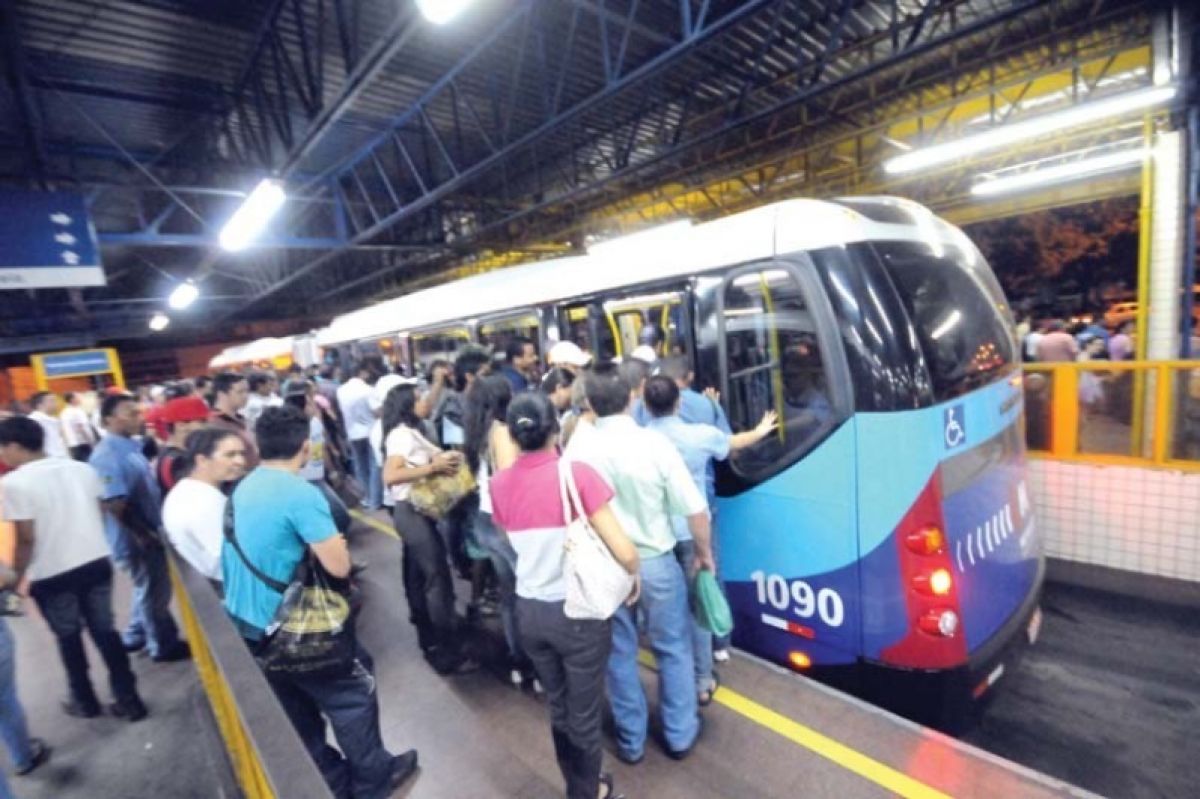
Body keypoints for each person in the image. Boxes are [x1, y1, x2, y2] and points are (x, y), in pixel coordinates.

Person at [223, 407, 417, 798]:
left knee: (297, 709)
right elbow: (339, 565)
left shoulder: (243, 487)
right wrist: (335, 547)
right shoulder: (300, 493)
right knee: (352, 696)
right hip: (297, 627)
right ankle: (373, 781)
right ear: (304, 446)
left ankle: (331, 781)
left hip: (250, 625)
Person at [490, 392, 639, 799]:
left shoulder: (498, 485)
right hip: (577, 612)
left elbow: (508, 538)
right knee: (585, 714)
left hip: (530, 613)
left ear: (516, 438)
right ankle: (587, 793)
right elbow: (624, 550)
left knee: (559, 706)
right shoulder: (577, 475)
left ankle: (578, 785)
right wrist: (633, 573)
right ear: (555, 429)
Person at [568, 364, 713, 763]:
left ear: (590, 403)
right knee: (673, 649)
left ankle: (631, 742)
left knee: (619, 652)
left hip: (604, 566)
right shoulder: (654, 445)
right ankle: (680, 734)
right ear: (635, 394)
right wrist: (704, 554)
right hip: (656, 564)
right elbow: (695, 509)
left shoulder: (580, 448)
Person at [0, 416, 146, 721]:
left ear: (13, 445)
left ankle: (85, 700)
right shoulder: (81, 469)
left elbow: (26, 539)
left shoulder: (13, 483)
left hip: (52, 574)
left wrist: (14, 579)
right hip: (95, 563)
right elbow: (98, 512)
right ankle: (129, 699)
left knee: (69, 639)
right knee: (106, 633)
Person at [642, 376, 777, 704]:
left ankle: (675, 672)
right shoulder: (698, 436)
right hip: (690, 534)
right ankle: (703, 681)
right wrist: (761, 429)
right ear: (678, 403)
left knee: (664, 610)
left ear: (646, 406)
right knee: (698, 603)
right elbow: (733, 443)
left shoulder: (637, 442)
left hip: (653, 540)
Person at [380, 384, 478, 674]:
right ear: (407, 405)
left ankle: (429, 638)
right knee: (437, 579)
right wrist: (432, 468)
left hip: (412, 513)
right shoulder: (400, 434)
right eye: (420, 398)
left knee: (417, 578)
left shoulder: (409, 431)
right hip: (412, 513)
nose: (425, 402)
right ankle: (447, 651)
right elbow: (391, 475)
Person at [90, 393, 190, 663]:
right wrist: (142, 535)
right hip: (135, 540)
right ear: (108, 419)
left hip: (148, 533)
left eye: (138, 411)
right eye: (130, 413)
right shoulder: (107, 456)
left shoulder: (130, 447)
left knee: (150, 589)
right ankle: (162, 645)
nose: (139, 417)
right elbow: (115, 503)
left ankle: (139, 634)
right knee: (152, 593)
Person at [462, 375, 529, 686]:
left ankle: (518, 660)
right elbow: (508, 480)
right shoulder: (502, 432)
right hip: (505, 520)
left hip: (485, 518)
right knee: (526, 593)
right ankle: (533, 663)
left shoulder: (476, 431)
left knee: (509, 594)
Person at [162, 429, 247, 585]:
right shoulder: (200, 503)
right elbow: (228, 561)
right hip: (234, 590)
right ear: (201, 460)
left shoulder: (191, 491)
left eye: (242, 454)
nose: (240, 461)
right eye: (230, 455)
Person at [337, 361, 382, 511]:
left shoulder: (341, 390)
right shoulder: (368, 390)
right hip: (370, 431)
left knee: (360, 467)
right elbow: (376, 411)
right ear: (362, 373)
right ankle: (375, 500)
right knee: (374, 466)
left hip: (352, 433)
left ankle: (366, 497)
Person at [156, 396, 211, 493]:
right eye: (202, 421)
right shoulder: (178, 460)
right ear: (181, 425)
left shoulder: (171, 454)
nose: (207, 426)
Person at [209, 372, 259, 470]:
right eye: (240, 392)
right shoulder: (215, 423)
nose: (245, 396)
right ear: (221, 394)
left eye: (247, 391)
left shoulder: (241, 419)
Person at [26, 392, 67, 459]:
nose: (56, 403)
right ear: (39, 405)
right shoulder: (34, 421)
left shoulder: (52, 419)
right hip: (50, 460)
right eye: (51, 401)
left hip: (61, 458)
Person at [60, 392, 98, 461]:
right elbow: (81, 428)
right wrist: (91, 441)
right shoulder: (77, 411)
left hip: (72, 444)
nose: (80, 398)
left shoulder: (64, 412)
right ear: (72, 399)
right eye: (78, 397)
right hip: (83, 443)